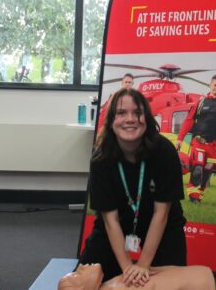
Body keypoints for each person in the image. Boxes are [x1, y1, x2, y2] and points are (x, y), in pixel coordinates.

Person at [79, 88, 187, 286]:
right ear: (111, 121)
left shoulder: (165, 152)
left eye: (137, 112)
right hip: (116, 225)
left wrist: (143, 265)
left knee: (170, 284)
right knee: (81, 283)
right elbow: (110, 221)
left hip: (161, 226)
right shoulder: (100, 158)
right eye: (121, 113)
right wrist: (128, 268)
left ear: (146, 118)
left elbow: (161, 215)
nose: (130, 119)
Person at [175, 74, 216, 203]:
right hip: (199, 142)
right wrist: (180, 138)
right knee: (198, 169)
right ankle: (193, 197)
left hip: (214, 145)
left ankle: (199, 195)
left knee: (206, 172)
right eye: (215, 85)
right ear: (210, 85)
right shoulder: (200, 102)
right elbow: (188, 120)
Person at [58, 263, 215, 290]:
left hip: (199, 278)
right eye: (77, 274)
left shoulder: (109, 285)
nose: (80, 266)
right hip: (202, 283)